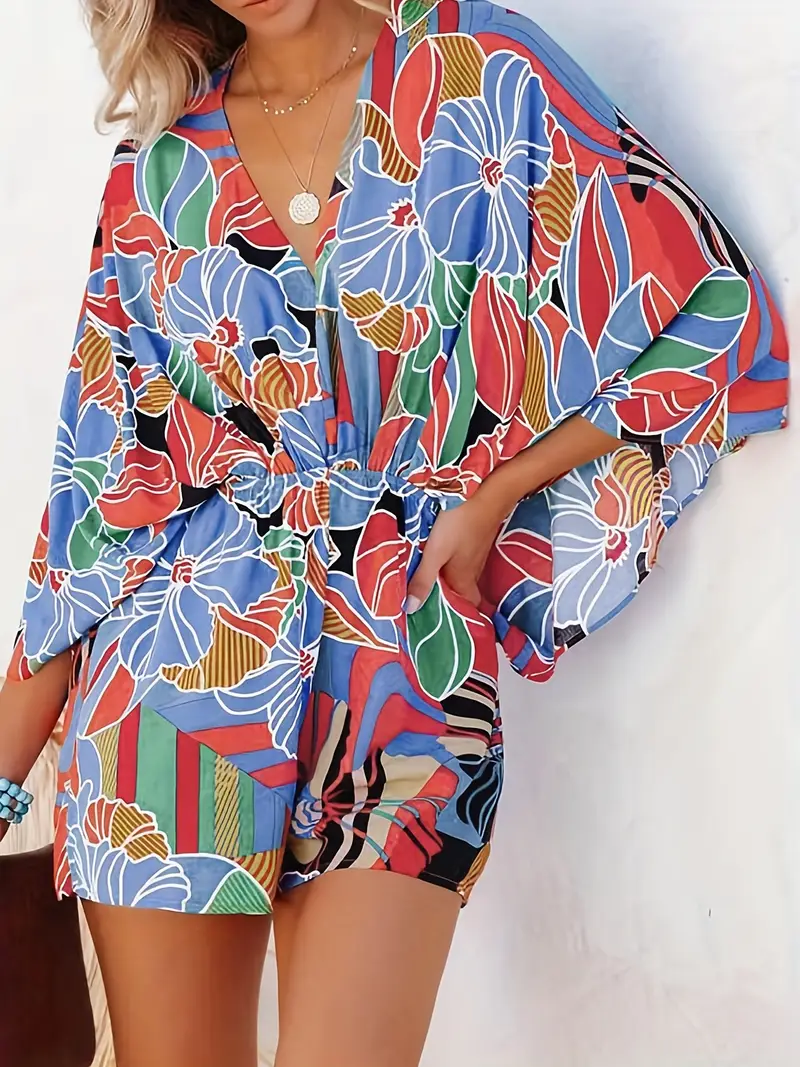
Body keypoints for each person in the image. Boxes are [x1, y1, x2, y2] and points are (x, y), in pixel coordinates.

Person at [0, 0, 788, 1065]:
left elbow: (715, 311)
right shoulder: (156, 174)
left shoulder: (480, 68)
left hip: (407, 663)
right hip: (174, 678)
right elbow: (94, 504)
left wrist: (499, 491)